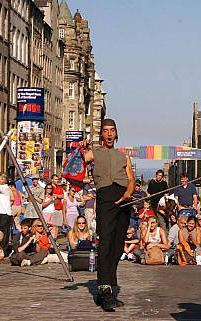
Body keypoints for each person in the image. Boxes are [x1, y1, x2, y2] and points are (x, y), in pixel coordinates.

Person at [82, 118, 134, 311]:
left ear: (116, 133)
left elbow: (131, 179)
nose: (110, 134)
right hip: (106, 198)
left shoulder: (124, 157)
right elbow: (76, 163)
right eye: (106, 131)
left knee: (118, 246)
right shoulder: (94, 152)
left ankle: (110, 287)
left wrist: (128, 194)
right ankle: (104, 290)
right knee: (105, 243)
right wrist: (81, 147)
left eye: (112, 130)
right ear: (101, 134)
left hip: (125, 199)